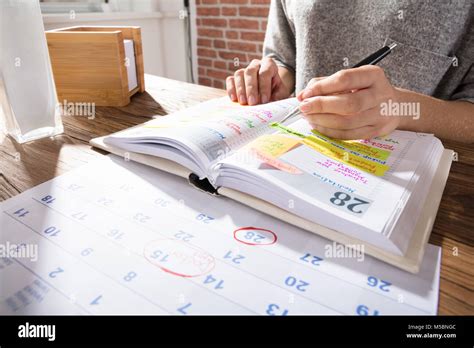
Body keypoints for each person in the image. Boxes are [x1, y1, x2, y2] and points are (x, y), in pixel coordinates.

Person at [225, 0, 474, 142]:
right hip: (299, 147)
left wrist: (399, 109)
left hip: (402, 179)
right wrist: (272, 79)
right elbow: (284, 58)